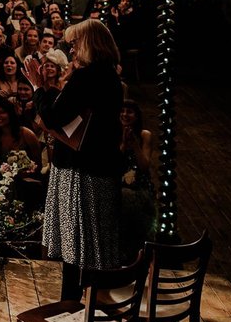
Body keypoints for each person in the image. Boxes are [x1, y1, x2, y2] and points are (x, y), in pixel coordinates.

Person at [24, 18, 123, 301]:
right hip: (102, 167)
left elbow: (54, 117)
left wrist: (37, 87)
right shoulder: (110, 76)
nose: (72, 50)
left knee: (76, 246)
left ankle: (71, 309)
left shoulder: (87, 76)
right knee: (95, 246)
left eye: (75, 43)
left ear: (89, 44)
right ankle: (94, 308)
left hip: (81, 172)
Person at [119, 99, 155, 262]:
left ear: (137, 116)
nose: (125, 115)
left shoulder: (144, 135)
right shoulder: (113, 132)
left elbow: (144, 166)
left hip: (139, 186)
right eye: (123, 111)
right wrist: (123, 145)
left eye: (130, 112)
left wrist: (135, 145)